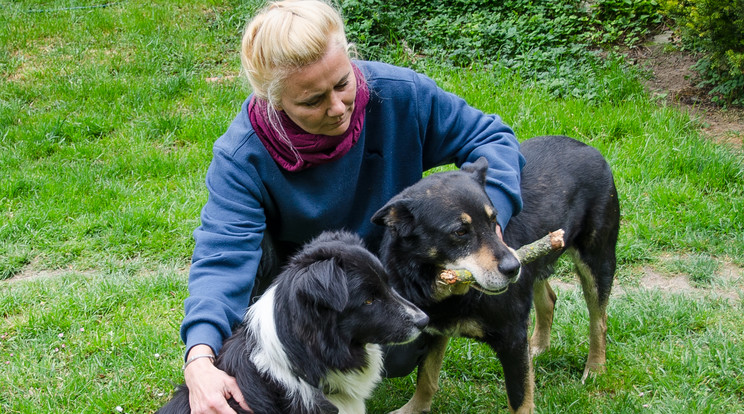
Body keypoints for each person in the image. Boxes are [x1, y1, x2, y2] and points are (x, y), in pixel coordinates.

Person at [179, 0, 525, 412]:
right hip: (312, 291)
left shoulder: (402, 96)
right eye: (312, 101)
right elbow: (222, 256)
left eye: (343, 83)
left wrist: (492, 219)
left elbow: (493, 139)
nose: (339, 107)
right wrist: (200, 356)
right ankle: (277, 355)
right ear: (274, 103)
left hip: (381, 276)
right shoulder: (242, 156)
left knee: (396, 353)